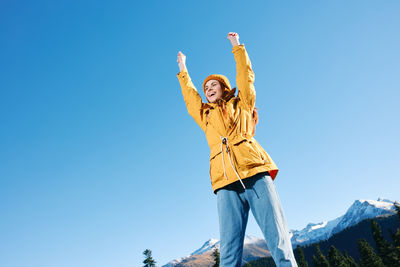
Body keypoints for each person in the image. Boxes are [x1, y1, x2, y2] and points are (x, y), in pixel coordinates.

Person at [176, 32, 298, 267]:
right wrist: (183, 70)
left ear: (224, 88)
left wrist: (237, 47)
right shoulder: (205, 115)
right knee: (229, 253)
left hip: (255, 173)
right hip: (224, 183)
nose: (209, 88)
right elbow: (191, 98)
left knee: (278, 239)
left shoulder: (242, 104)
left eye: (214, 85)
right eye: (206, 87)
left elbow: (245, 77)